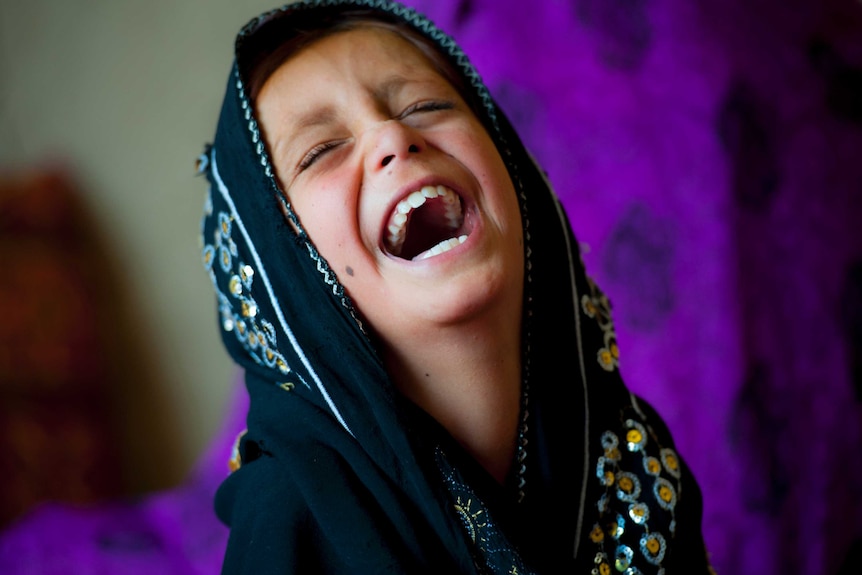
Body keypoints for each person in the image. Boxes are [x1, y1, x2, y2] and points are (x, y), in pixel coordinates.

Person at [197, 0, 715, 572]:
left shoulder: (631, 465)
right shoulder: (292, 525)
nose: (392, 135)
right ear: (282, 272)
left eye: (426, 105)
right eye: (320, 150)